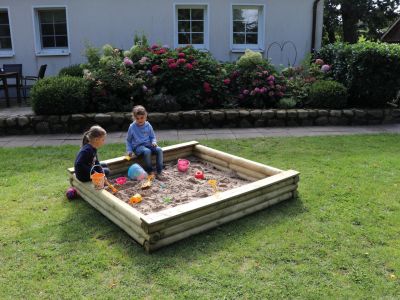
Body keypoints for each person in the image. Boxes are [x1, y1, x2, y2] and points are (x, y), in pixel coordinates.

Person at [126, 105, 164, 178]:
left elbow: (152, 137)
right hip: (138, 147)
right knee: (147, 151)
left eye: (142, 118)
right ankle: (150, 170)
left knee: (159, 149)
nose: (140, 120)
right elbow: (128, 140)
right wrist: (129, 150)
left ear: (146, 116)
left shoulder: (148, 125)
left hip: (149, 145)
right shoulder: (132, 127)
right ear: (134, 117)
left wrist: (154, 142)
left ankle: (159, 170)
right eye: (137, 118)